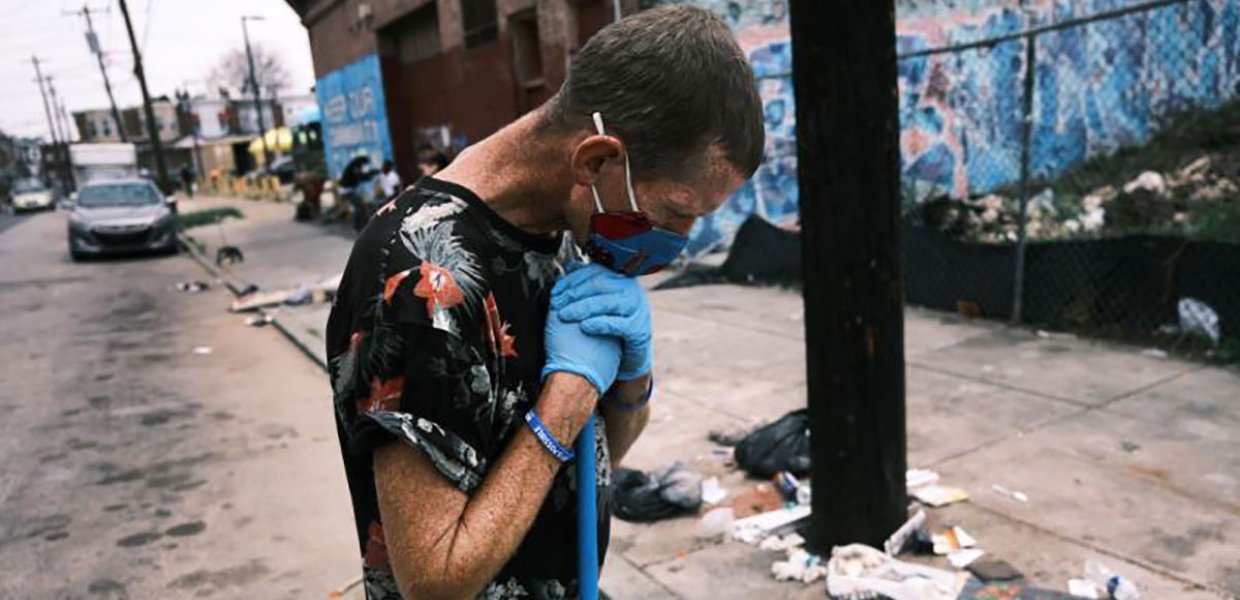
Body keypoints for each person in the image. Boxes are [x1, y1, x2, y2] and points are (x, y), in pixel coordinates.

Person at [325, 6, 763, 599]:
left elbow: (600, 451)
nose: (679, 240)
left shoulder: (565, 228)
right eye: (678, 211)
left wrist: (632, 380)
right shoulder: (421, 276)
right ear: (597, 160)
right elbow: (433, 580)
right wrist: (563, 404)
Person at [339, 153, 376, 231]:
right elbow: (360, 176)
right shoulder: (355, 166)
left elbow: (360, 177)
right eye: (364, 164)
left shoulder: (354, 165)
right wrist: (369, 174)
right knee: (360, 207)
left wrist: (369, 175)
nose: (364, 166)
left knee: (359, 207)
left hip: (349, 190)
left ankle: (359, 226)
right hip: (347, 191)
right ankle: (361, 226)